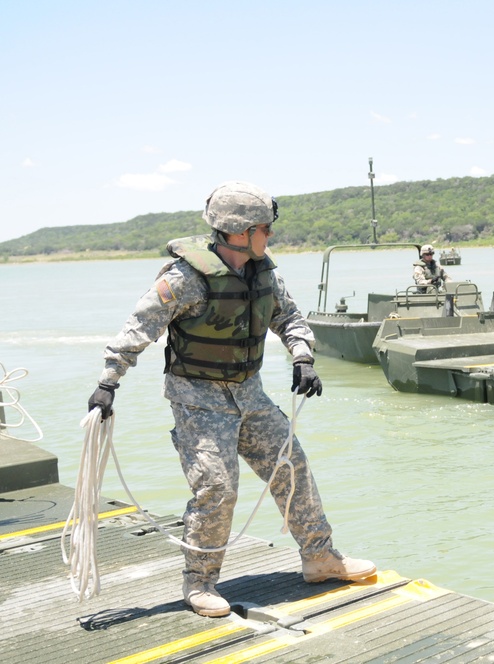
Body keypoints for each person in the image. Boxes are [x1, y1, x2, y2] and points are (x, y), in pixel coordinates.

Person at [86, 181, 376, 618]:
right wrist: (109, 382)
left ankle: (320, 559)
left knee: (291, 465)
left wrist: (303, 357)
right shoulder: (184, 280)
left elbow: (289, 317)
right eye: (264, 227)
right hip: (198, 402)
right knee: (217, 488)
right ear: (240, 231)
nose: (270, 235)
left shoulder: (264, 273)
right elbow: (139, 327)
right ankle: (199, 582)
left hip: (250, 394)